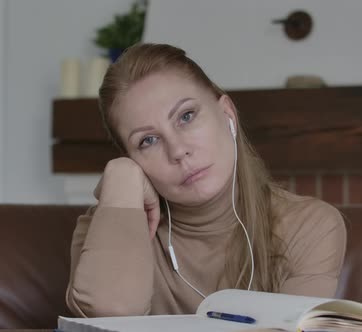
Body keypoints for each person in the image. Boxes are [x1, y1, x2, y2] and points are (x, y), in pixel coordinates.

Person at [65, 43, 346, 318]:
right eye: (147, 141)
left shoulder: (310, 226)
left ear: (227, 114)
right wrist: (121, 175)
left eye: (186, 116)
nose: (177, 151)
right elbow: (110, 315)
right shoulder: (101, 230)